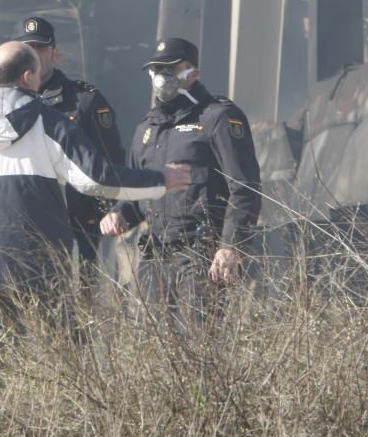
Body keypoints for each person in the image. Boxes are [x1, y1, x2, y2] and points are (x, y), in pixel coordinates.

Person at [0, 41, 190, 345]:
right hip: (42, 273)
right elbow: (96, 179)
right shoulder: (49, 123)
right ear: (28, 77)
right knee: (53, 370)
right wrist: (159, 180)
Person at [100, 38, 262, 325]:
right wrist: (120, 212)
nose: (162, 77)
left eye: (170, 69)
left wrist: (230, 246)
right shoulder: (147, 129)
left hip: (201, 254)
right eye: (156, 69)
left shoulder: (218, 117)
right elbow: (138, 192)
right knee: (154, 347)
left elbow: (245, 188)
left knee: (200, 345)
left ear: (193, 73)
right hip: (155, 257)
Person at [14, 16, 124, 265]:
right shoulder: (0, 105)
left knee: (78, 299)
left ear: (55, 53)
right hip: (20, 223)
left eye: (41, 48)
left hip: (76, 224)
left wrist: (107, 211)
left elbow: (110, 160)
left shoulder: (84, 100)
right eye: (27, 49)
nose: (34, 55)